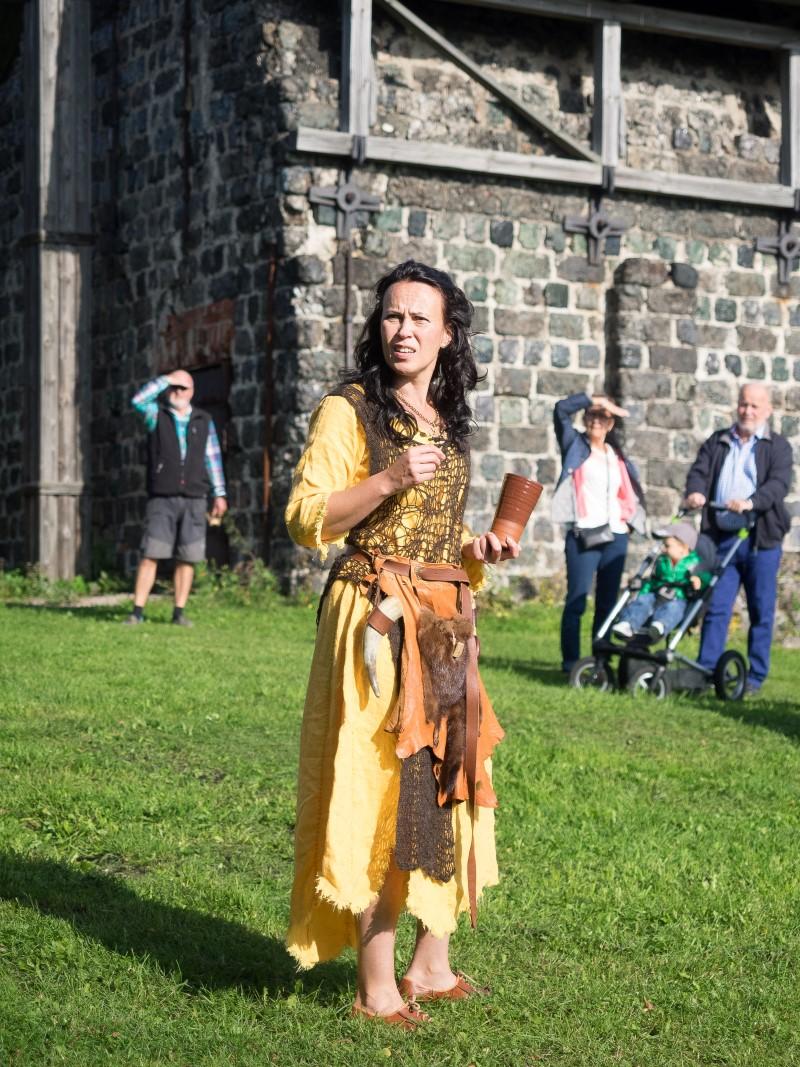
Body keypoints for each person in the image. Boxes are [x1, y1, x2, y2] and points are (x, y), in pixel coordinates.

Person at [284, 260, 519, 1030]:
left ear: (449, 334)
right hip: (374, 614)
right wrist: (386, 479)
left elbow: (438, 534)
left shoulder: (447, 420)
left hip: (442, 616)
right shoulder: (349, 409)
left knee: (451, 775)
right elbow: (306, 516)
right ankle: (376, 984)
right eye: (392, 316)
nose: (404, 330)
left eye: (421, 318)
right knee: (384, 784)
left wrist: (477, 550)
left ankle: (431, 962)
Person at [683, 383, 792, 694]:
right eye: (744, 404)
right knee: (717, 606)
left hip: (760, 540)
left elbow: (778, 484)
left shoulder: (778, 447)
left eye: (755, 406)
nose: (748, 411)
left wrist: (750, 502)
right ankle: (706, 671)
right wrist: (695, 492)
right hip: (722, 538)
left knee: (760, 610)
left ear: (767, 410)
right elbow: (699, 472)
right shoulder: (718, 441)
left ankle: (754, 678)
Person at [124, 370, 227, 627]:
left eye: (183, 388)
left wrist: (219, 493)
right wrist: (166, 380)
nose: (177, 392)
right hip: (162, 497)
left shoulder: (204, 420)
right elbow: (137, 401)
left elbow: (212, 458)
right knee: (151, 553)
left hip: (195, 497)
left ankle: (179, 612)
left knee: (188, 557)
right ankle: (137, 611)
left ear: (192, 391)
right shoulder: (156, 415)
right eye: (174, 388)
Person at [552, 392, 646, 674]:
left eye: (603, 416)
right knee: (577, 600)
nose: (596, 420)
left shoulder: (617, 455)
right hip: (584, 534)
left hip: (616, 535)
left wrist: (629, 521)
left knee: (607, 603)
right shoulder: (575, 445)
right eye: (592, 414)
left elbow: (627, 491)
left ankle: (600, 663)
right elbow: (560, 410)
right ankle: (571, 663)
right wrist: (595, 400)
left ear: (611, 423)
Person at [611, 521, 711, 642]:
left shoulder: (694, 564)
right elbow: (653, 581)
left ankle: (660, 626)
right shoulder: (662, 561)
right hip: (656, 595)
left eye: (667, 546)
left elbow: (706, 577)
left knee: (673, 609)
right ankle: (627, 624)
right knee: (642, 601)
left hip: (678, 598)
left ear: (683, 548)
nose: (663, 549)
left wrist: (699, 581)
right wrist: (642, 590)